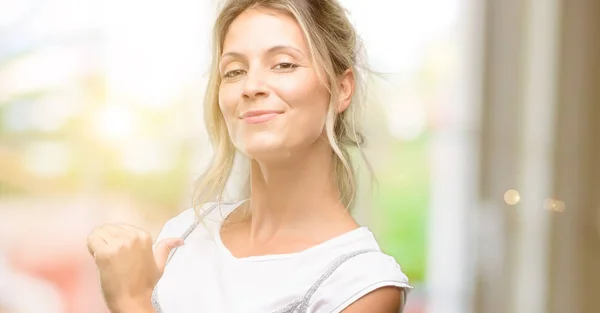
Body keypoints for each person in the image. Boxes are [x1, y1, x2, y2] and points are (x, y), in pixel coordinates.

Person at [86, 0, 412, 312]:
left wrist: (133, 302)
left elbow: (134, 302)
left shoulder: (362, 284)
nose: (251, 86)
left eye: (284, 64)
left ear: (342, 88)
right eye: (234, 71)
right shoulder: (186, 231)